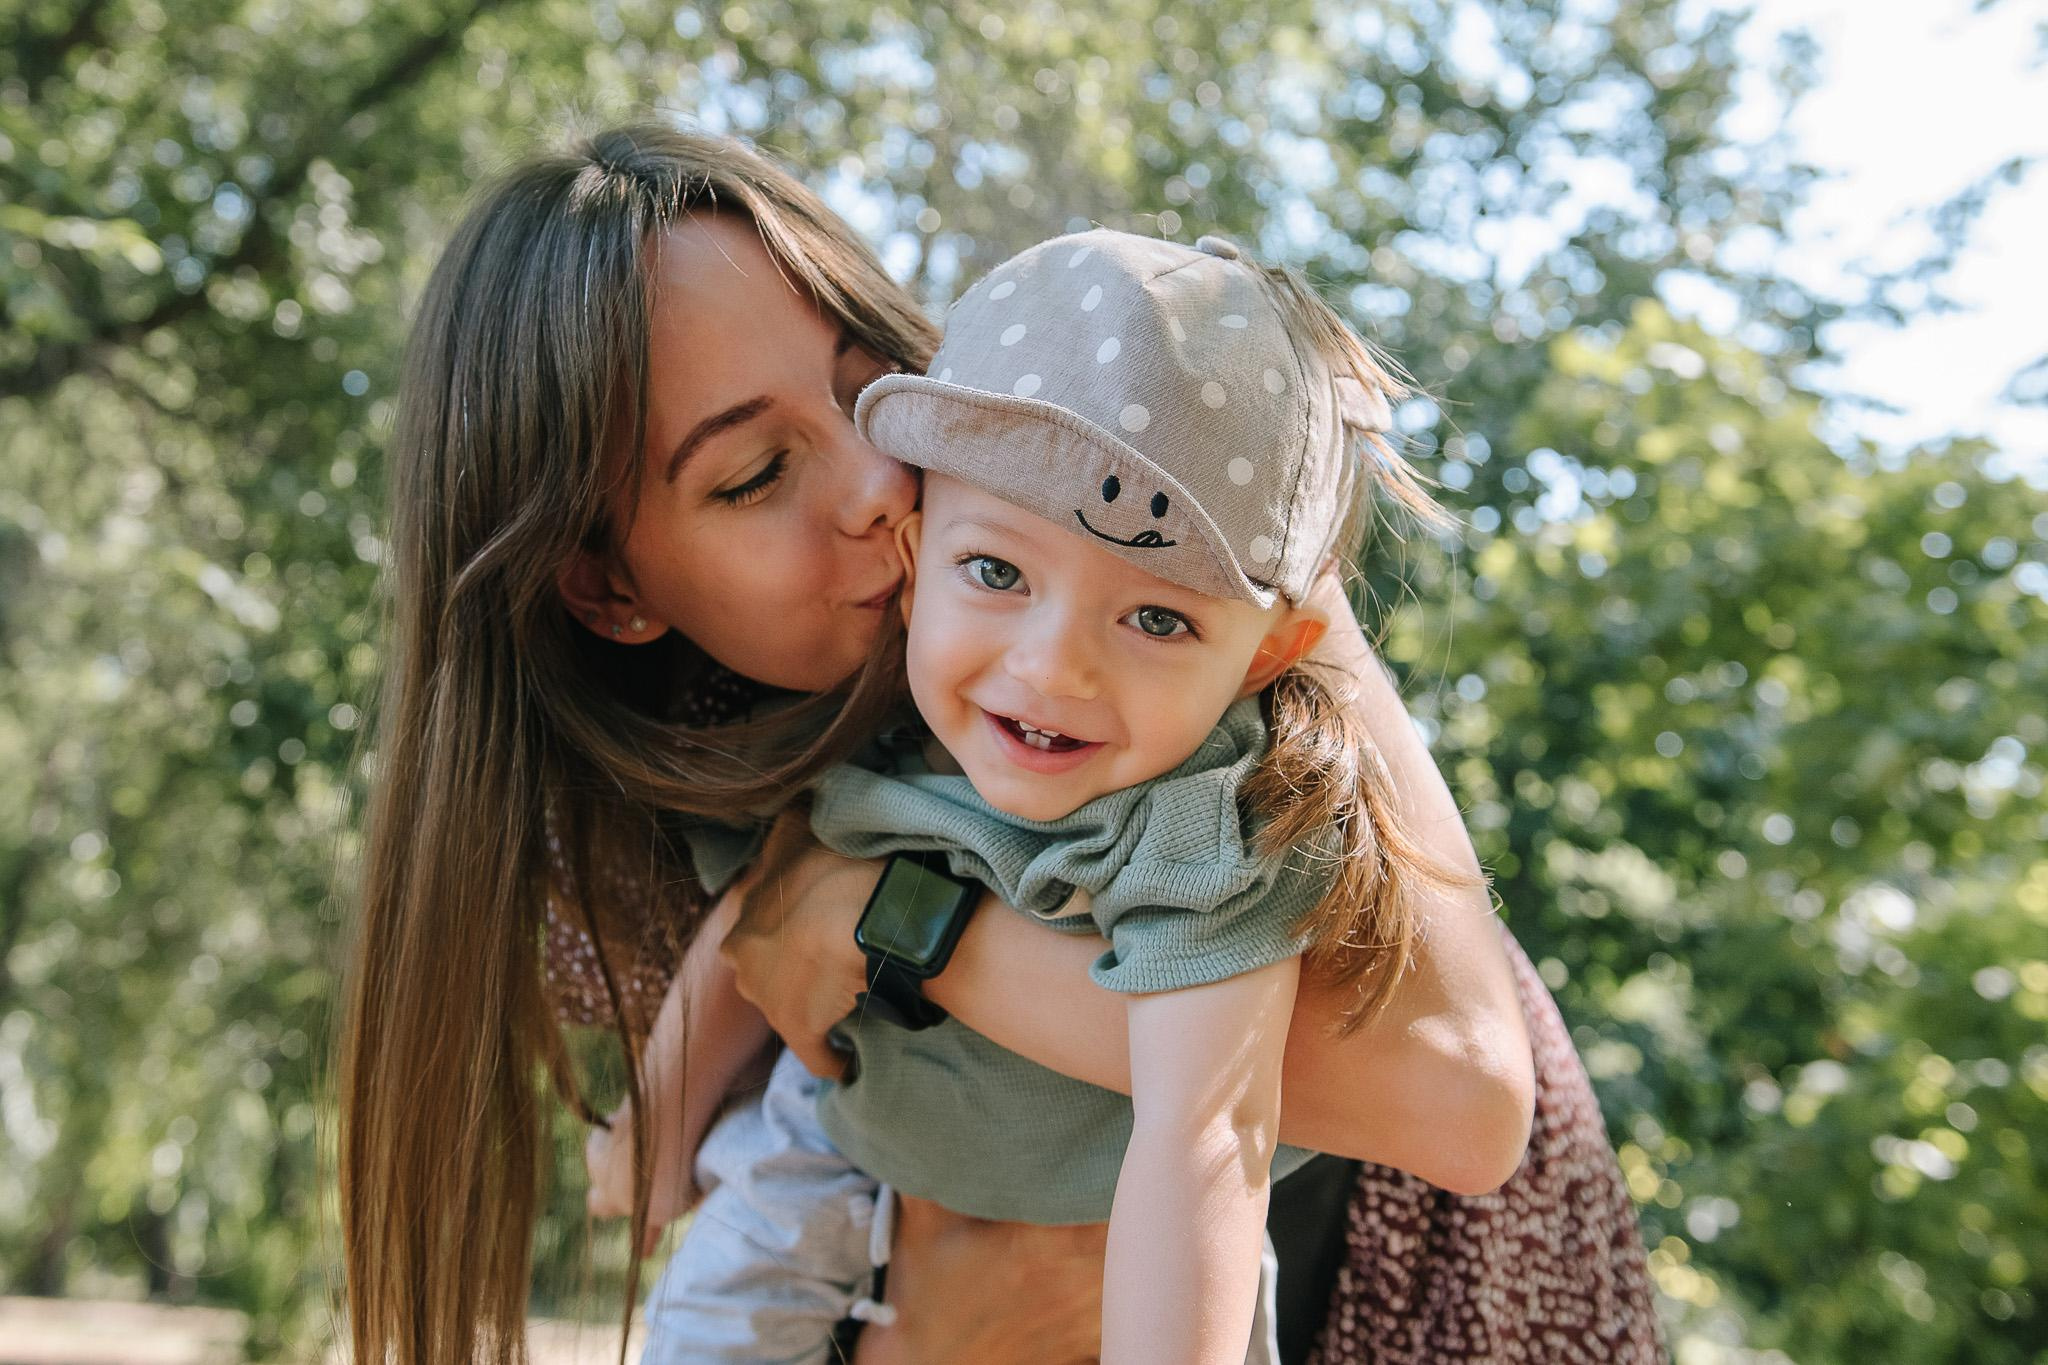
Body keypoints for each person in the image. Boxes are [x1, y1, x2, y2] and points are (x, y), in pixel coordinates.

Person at [338, 121, 1659, 1365]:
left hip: (1416, 1276)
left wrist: (888, 920)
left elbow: (1455, 1106)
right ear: (606, 589)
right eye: (753, 475)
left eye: (868, 387)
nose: (877, 484)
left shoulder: (1163, 537)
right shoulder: (697, 758)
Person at [630, 227, 1463, 1365]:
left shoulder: (1204, 822)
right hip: (837, 1152)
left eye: (1157, 617)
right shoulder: (880, 722)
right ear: (915, 559)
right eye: (997, 572)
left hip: (1127, 1245)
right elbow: (762, 910)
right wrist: (647, 1140)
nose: (1051, 668)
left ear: (1267, 656)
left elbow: (1206, 1138)